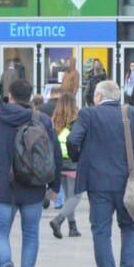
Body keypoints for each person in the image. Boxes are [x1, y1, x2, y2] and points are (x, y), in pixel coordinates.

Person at [0, 79, 63, 267]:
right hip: (33, 186)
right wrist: (54, 185)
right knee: (31, 234)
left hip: (4, 188)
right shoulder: (42, 120)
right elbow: (54, 155)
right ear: (30, 95)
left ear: (9, 95)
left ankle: (5, 264)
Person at [67, 80, 134, 267]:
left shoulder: (89, 114)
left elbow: (72, 140)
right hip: (129, 183)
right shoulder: (133, 113)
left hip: (98, 184)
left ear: (98, 96)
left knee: (101, 232)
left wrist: (80, 157)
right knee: (130, 228)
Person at [48, 88, 84, 240]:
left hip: (59, 164)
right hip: (74, 163)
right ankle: (59, 219)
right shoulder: (77, 121)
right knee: (75, 197)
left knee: (69, 196)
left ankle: (73, 228)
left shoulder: (55, 121)